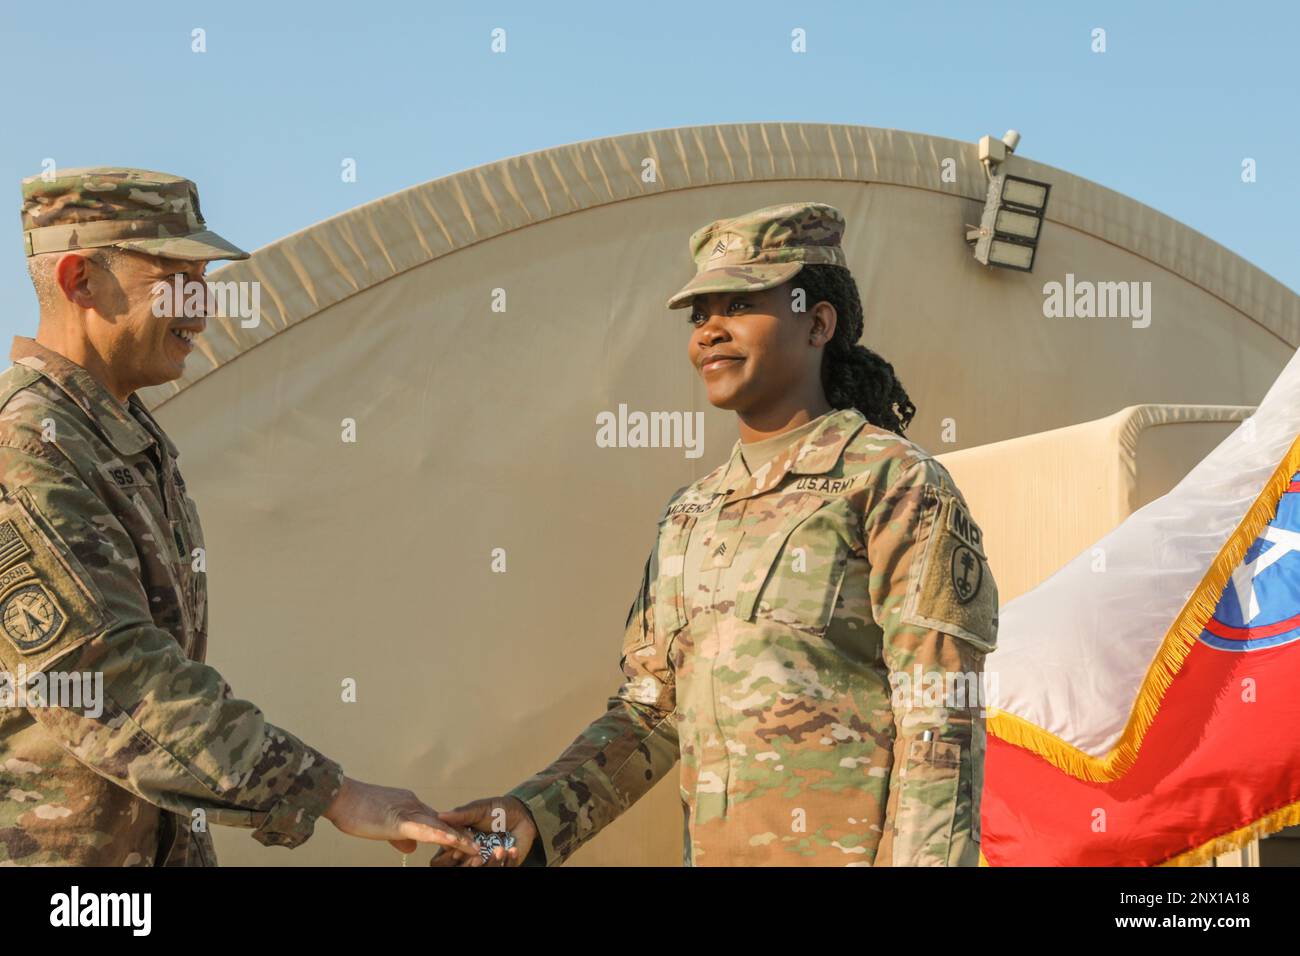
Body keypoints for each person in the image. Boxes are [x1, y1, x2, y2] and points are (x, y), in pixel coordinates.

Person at [435, 201, 999, 867]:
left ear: (818, 322)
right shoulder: (690, 513)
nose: (710, 331)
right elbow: (651, 713)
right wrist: (530, 814)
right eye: (700, 314)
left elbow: (941, 713)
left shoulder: (894, 483)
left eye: (739, 305)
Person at [0, 167, 480, 866]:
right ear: (80, 282)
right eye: (177, 278)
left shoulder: (120, 434)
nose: (201, 307)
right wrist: (332, 794)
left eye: (206, 279)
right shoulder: (27, 448)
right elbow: (109, 681)